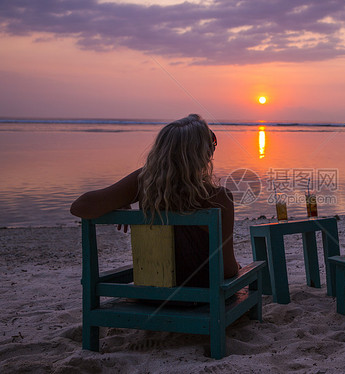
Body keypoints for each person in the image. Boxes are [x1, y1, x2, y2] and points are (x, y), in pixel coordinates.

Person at [70, 114, 239, 287]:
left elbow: (80, 207)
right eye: (211, 143)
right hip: (200, 297)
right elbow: (226, 270)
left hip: (151, 292)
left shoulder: (142, 182)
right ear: (203, 154)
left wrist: (118, 201)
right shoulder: (220, 198)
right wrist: (237, 267)